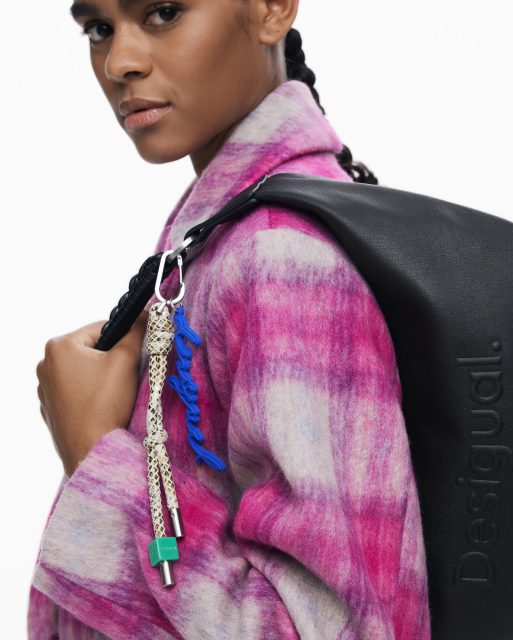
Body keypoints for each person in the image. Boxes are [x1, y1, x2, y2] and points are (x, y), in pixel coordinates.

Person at [29, 0, 431, 637]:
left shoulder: (282, 251)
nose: (118, 62)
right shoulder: (229, 223)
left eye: (163, 12)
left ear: (273, 10)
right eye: (99, 28)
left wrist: (95, 454)